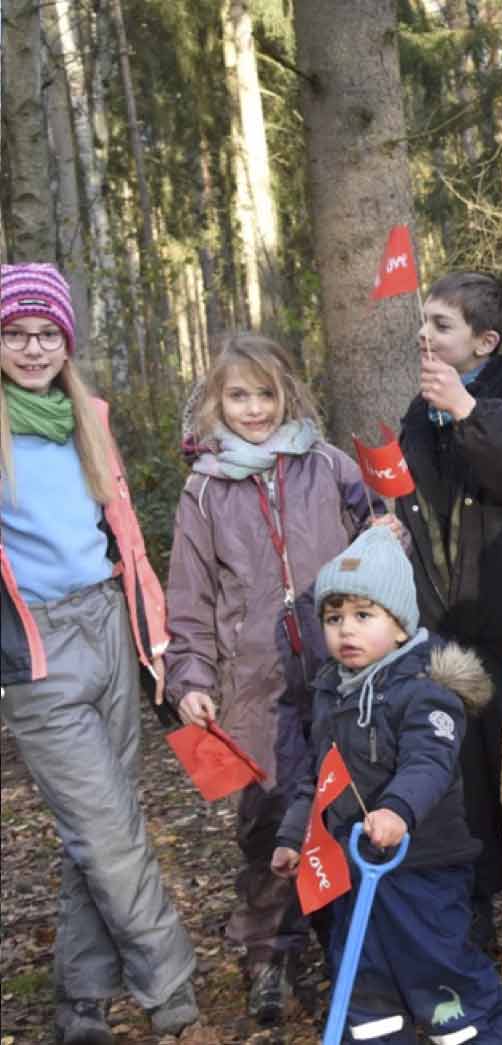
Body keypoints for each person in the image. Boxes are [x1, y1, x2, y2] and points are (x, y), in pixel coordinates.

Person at [0, 263, 200, 1043]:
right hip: (38, 652)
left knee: (102, 828)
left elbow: (123, 538)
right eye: (15, 333)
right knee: (109, 833)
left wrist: (153, 635)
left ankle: (80, 1004)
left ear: (67, 342)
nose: (32, 348)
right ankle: (174, 996)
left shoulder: (88, 417)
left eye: (46, 333)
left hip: (110, 628)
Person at [164, 333, 384, 1024]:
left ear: (288, 393)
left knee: (347, 797)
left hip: (341, 667)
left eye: (266, 393)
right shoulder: (204, 491)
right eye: (238, 395)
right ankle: (268, 952)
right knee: (268, 820)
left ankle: (353, 939)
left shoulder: (331, 465)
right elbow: (190, 595)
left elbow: (378, 538)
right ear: (215, 401)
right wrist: (190, 675)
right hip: (255, 683)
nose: (254, 408)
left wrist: (389, 540)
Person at [272, 526, 502, 1043]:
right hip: (354, 869)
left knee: (441, 973)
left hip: (421, 868)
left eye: (363, 616)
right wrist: (294, 835)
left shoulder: (424, 693)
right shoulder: (330, 692)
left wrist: (397, 811)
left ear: (402, 628)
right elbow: (319, 778)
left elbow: (428, 763)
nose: (346, 629)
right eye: (334, 618)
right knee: (364, 980)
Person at [396, 271, 502, 946]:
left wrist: (468, 410)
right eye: (423, 321)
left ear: (485, 341)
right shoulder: (420, 412)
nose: (424, 335)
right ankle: (474, 906)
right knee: (459, 772)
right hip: (445, 626)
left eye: (441, 325)